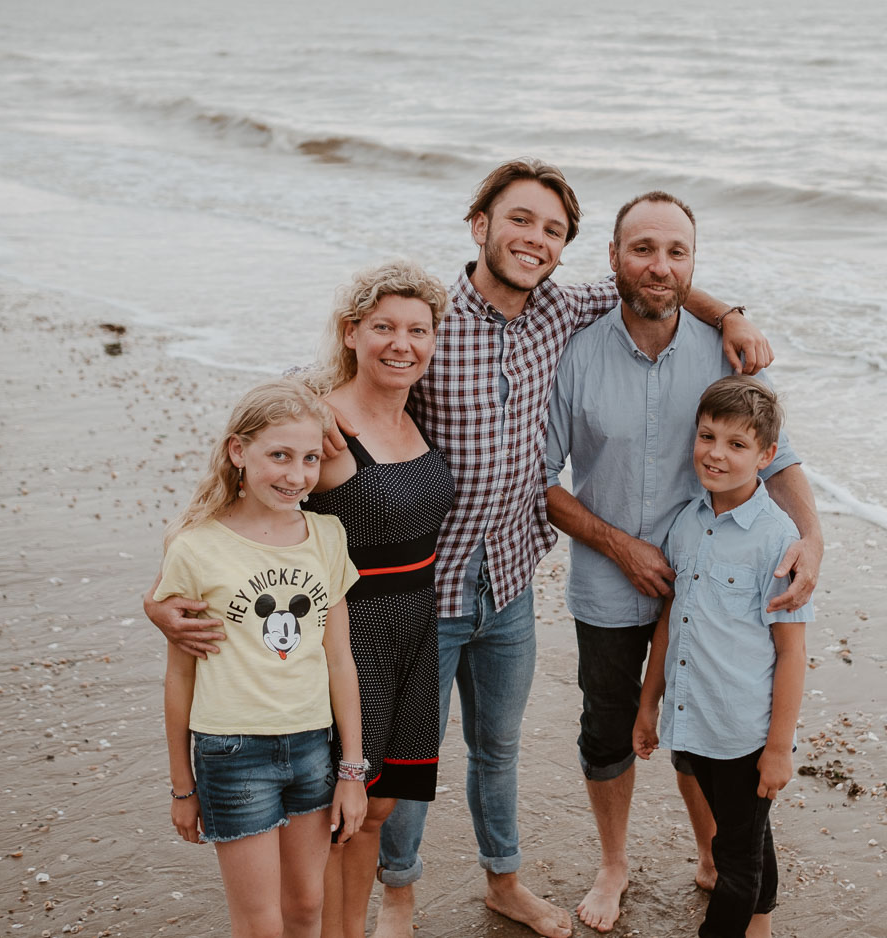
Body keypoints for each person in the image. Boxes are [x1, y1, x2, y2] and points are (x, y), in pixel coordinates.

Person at [153, 158, 773, 938]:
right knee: (398, 776)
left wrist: (734, 316)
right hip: (423, 590)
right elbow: (296, 409)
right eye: (520, 220)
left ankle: (503, 883)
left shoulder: (562, 305)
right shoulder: (430, 324)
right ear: (480, 225)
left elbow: (653, 280)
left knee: (498, 749)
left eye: (552, 230)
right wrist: (179, 577)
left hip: (509, 579)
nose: (535, 239)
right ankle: (401, 895)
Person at [543, 191, 822, 932]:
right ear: (612, 259)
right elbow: (539, 483)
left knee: (703, 733)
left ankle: (716, 854)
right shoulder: (576, 354)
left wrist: (814, 541)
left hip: (711, 587)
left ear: (693, 264)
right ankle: (614, 865)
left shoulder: (724, 354)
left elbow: (781, 459)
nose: (659, 266)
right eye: (642, 249)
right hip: (606, 584)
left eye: (676, 252)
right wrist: (620, 547)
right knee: (608, 731)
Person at [159, 378, 368, 938]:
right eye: (278, 455)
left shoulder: (326, 535)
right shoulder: (196, 546)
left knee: (305, 909)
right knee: (260, 923)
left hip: (311, 749)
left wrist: (352, 768)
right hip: (233, 752)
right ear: (238, 452)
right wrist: (183, 787)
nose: (295, 475)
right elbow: (179, 676)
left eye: (306, 459)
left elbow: (339, 658)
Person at [302, 262, 455, 938]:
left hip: (418, 632)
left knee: (384, 803)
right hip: (354, 634)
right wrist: (169, 595)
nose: (402, 343)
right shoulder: (323, 423)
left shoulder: (415, 412)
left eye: (418, 330)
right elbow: (229, 501)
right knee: (343, 809)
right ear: (351, 333)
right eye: (384, 327)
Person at [633, 376, 811, 938]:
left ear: (766, 455)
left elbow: (791, 653)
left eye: (737, 445)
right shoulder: (688, 522)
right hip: (694, 717)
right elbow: (672, 618)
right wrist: (648, 704)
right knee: (747, 834)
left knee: (735, 860)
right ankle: (762, 923)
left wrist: (779, 749)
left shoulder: (776, 540)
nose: (716, 453)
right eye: (707, 436)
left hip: (743, 729)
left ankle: (741, 922)